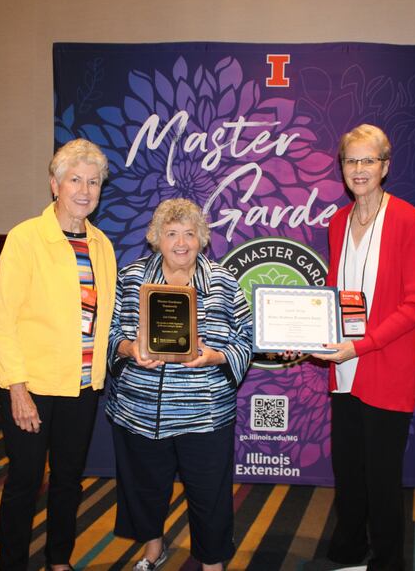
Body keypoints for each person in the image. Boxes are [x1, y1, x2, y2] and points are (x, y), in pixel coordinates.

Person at [0, 138, 117, 570]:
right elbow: (0, 321)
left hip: (81, 387)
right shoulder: (25, 238)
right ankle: (13, 564)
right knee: (24, 482)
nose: (84, 190)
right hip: (32, 387)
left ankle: (59, 559)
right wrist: (17, 389)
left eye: (93, 182)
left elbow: (104, 320)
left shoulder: (102, 245)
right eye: (74, 179)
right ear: (54, 185)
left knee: (67, 481)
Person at [106, 198, 253, 571]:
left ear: (202, 238)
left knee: (209, 495)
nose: (181, 243)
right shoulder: (132, 277)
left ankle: (211, 562)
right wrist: (128, 348)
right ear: (156, 238)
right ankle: (154, 549)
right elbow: (110, 332)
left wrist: (215, 356)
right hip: (140, 409)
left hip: (203, 414)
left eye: (190, 233)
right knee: (144, 487)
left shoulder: (223, 282)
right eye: (171, 234)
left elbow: (247, 337)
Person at [317, 124, 415, 570]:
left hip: (387, 364)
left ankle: (387, 561)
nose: (359, 169)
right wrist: (308, 337)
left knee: (381, 477)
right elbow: (333, 292)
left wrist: (362, 346)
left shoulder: (404, 217)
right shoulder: (338, 221)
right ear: (342, 167)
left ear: (385, 166)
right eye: (351, 161)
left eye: (369, 160)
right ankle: (350, 551)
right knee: (349, 471)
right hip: (344, 367)